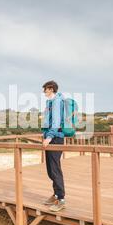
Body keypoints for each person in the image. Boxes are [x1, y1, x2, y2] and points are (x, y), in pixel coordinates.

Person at [41, 80, 66, 212]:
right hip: (50, 138)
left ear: (51, 89)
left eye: (45, 89)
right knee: (50, 169)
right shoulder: (50, 102)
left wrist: (49, 137)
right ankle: (56, 194)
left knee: (55, 169)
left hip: (55, 138)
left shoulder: (57, 101)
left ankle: (61, 199)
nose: (43, 91)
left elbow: (56, 122)